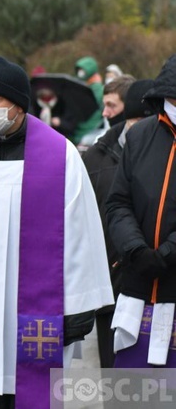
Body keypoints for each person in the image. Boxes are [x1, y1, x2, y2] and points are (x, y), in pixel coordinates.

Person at [0, 57, 114, 408]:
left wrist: (76, 309)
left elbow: (80, 234)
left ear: (18, 105)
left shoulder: (60, 157)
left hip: (29, 314)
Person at [107, 54, 176, 368]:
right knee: (137, 394)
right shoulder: (139, 136)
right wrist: (135, 249)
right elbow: (119, 202)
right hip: (138, 289)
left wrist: (167, 254)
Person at [82, 78, 155, 368]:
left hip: (153, 277)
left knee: (154, 380)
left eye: (112, 105)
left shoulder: (160, 151)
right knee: (115, 376)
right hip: (108, 284)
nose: (106, 112)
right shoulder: (96, 155)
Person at [72, 56, 104, 144]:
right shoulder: (82, 87)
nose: (80, 73)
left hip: (91, 126)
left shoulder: (97, 88)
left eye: (82, 70)